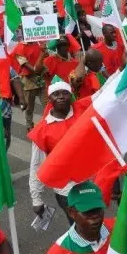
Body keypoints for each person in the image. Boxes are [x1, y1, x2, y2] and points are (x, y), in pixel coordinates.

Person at [28, 77, 91, 217]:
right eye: (56, 94)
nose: (61, 97)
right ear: (50, 98)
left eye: (65, 93)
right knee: (81, 224)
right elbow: (37, 165)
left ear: (71, 95)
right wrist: (36, 198)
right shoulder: (41, 131)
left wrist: (121, 70)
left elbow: (105, 94)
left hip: (90, 182)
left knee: (94, 222)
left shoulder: (82, 109)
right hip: (66, 190)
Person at [12, 39, 47, 130]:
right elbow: (34, 69)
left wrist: (45, 51)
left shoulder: (39, 43)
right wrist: (42, 53)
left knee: (47, 105)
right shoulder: (20, 48)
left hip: (41, 79)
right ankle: (29, 126)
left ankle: (49, 124)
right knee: (29, 108)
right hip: (28, 81)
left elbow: (46, 60)